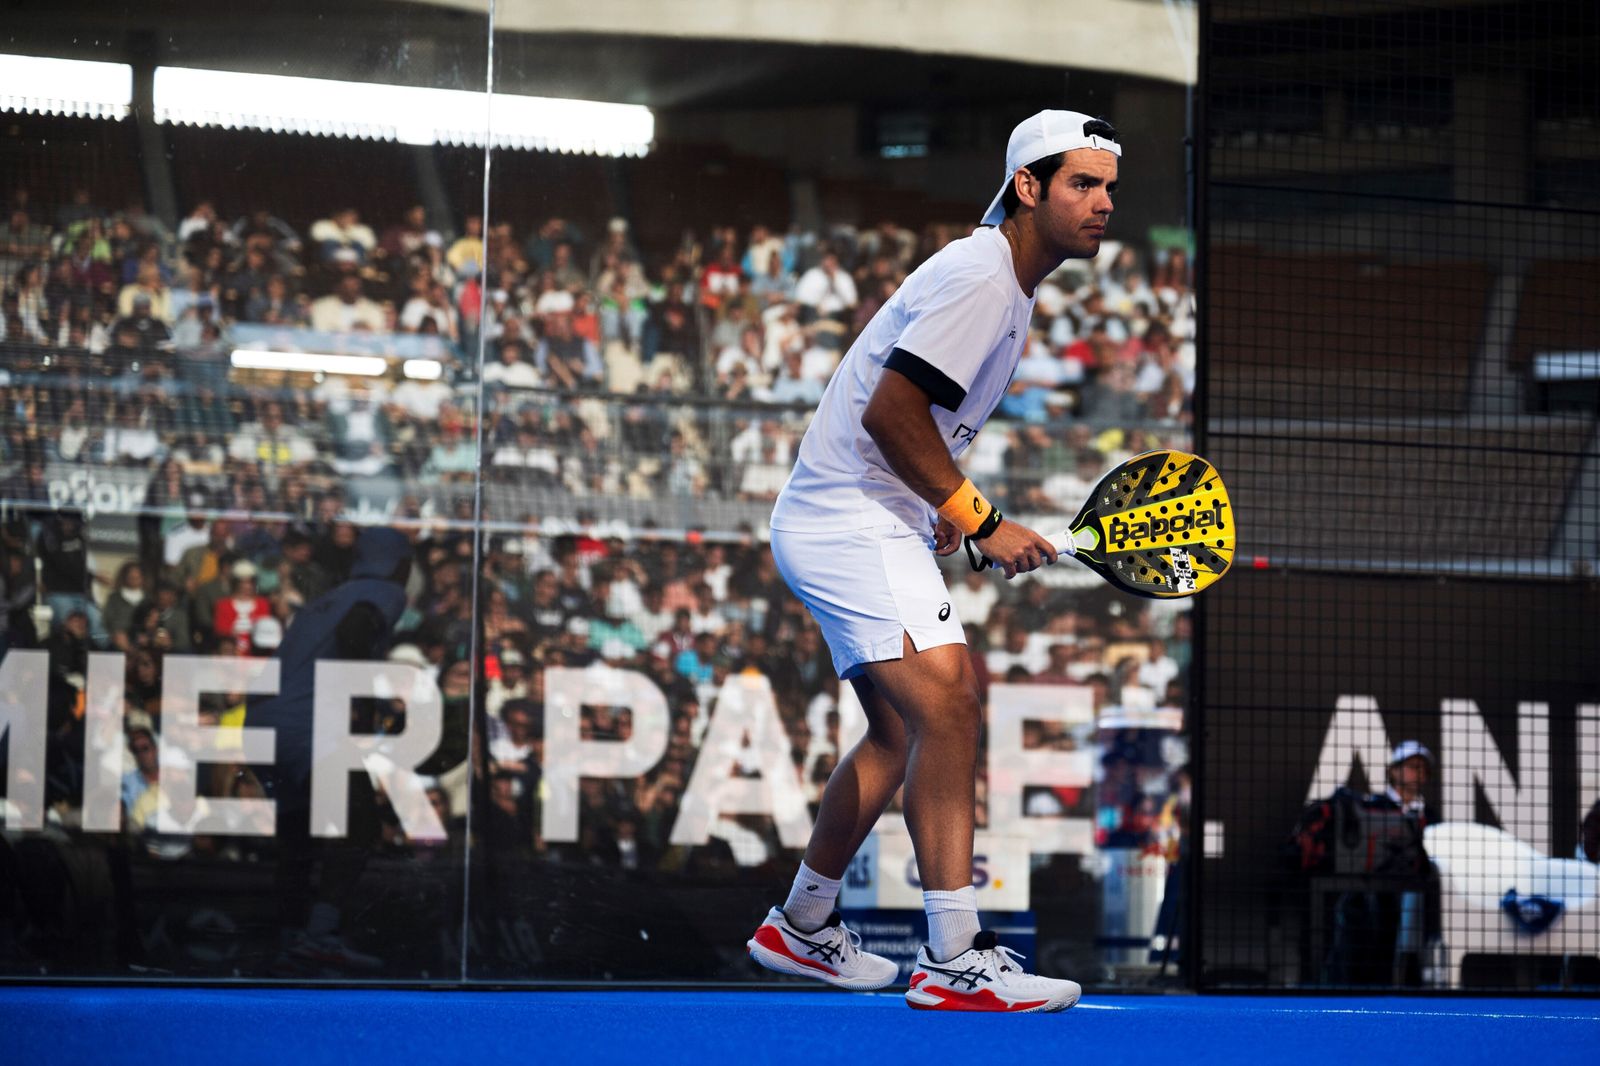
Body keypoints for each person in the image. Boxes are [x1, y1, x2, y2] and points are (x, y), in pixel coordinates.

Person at [748, 110, 1120, 1012]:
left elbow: (912, 421)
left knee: (902, 730)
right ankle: (954, 955)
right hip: (848, 520)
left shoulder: (1006, 284)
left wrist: (939, 504)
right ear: (1027, 187)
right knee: (950, 699)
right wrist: (977, 514)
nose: (1103, 203)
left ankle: (799, 927)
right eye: (1082, 183)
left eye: (1110, 187)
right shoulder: (981, 279)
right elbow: (891, 414)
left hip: (864, 513)